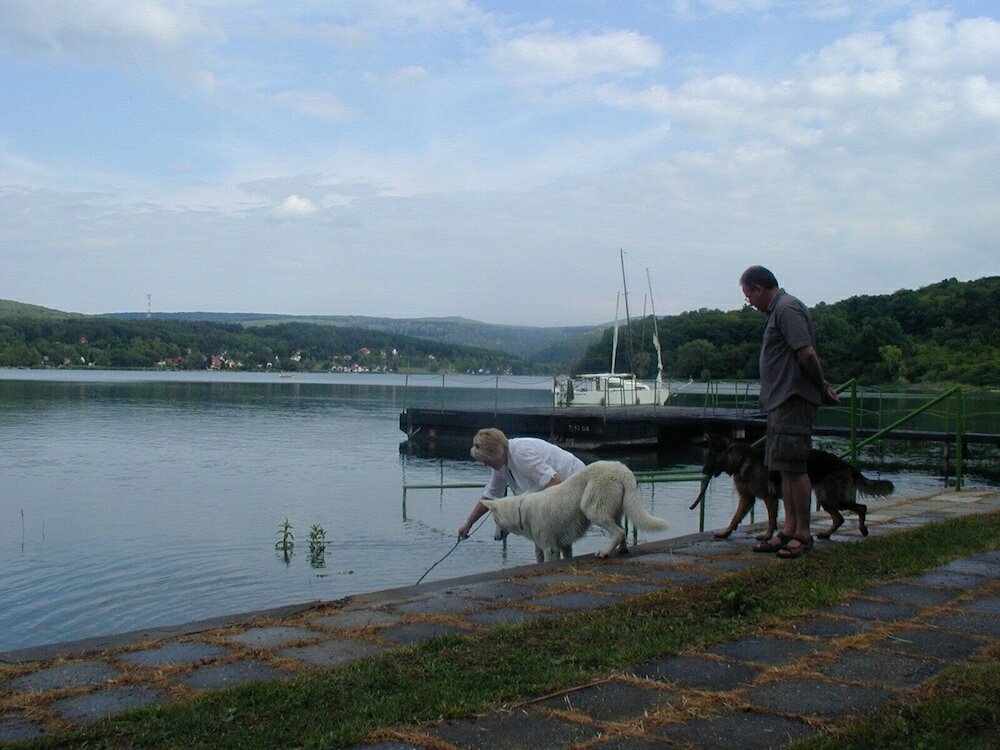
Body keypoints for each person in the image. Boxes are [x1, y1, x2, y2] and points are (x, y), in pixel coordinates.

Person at [740, 266, 840, 559]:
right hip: (781, 402)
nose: (750, 303)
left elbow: (807, 353)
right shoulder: (778, 311)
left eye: (749, 296)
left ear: (759, 288)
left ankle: (803, 535)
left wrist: (820, 386)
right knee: (784, 468)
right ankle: (789, 529)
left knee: (796, 470)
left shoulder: (787, 308)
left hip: (793, 400)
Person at [458, 428, 584, 557]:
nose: (485, 465)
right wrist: (468, 523)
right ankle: (548, 569)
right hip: (554, 493)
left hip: (575, 486)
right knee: (541, 534)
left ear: (495, 454)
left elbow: (554, 482)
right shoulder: (500, 464)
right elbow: (490, 496)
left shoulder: (521, 454)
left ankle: (552, 570)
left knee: (545, 535)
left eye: (486, 461)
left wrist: (543, 518)